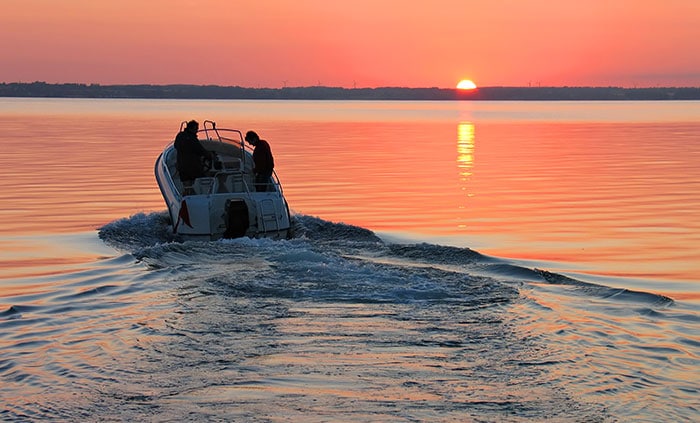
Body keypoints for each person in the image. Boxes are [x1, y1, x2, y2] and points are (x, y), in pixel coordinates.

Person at [174, 120, 212, 192]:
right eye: (196, 129)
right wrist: (210, 156)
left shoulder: (180, 136)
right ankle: (197, 192)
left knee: (186, 182)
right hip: (193, 167)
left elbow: (176, 146)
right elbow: (201, 151)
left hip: (182, 166)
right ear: (193, 128)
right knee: (206, 175)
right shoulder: (193, 139)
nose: (197, 131)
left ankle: (187, 192)